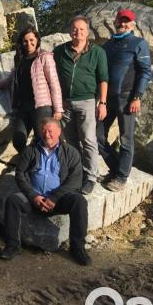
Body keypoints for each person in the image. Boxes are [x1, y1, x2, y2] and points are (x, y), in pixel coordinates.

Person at [0, 118, 91, 266]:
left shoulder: (71, 152)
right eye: (44, 131)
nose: (47, 135)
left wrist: (54, 197)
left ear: (59, 132)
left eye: (51, 131)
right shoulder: (31, 150)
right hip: (34, 199)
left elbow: (75, 181)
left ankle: (77, 247)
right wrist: (33, 195)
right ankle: (12, 245)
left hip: (59, 201)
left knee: (79, 201)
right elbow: (20, 174)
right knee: (13, 200)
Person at [0, 27, 63, 152]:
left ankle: (44, 169)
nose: (29, 43)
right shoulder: (20, 59)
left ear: (37, 40)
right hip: (23, 106)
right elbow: (9, 81)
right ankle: (31, 163)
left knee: (43, 140)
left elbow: (54, 83)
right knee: (18, 140)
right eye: (25, 41)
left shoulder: (44, 57)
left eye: (31, 40)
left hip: (41, 106)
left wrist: (58, 109)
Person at [97, 9, 152, 191]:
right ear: (115, 22)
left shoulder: (138, 43)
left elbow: (145, 71)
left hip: (127, 99)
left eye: (126, 21)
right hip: (108, 99)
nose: (122, 23)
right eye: (120, 20)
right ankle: (116, 170)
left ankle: (121, 177)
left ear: (133, 24)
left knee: (126, 140)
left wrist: (137, 96)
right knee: (97, 136)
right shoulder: (108, 45)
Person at [53, 16, 108, 195]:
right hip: (66, 103)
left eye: (82, 29)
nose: (78, 32)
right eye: (75, 29)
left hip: (87, 102)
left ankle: (91, 177)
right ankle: (76, 175)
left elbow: (103, 79)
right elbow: (52, 75)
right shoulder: (60, 51)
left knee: (89, 140)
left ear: (88, 31)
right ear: (70, 31)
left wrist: (103, 103)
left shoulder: (97, 52)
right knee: (70, 141)